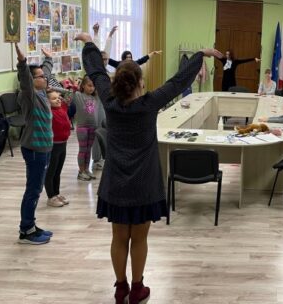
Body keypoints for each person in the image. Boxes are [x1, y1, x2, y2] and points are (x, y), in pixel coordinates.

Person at [75, 31, 222, 304]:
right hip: (144, 182)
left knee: (119, 237)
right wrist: (200, 55)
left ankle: (121, 288)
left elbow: (96, 72)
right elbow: (178, 82)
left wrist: (89, 43)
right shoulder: (150, 103)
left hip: (116, 181)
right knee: (139, 239)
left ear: (117, 83)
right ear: (140, 83)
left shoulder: (109, 100)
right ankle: (137, 288)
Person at [15, 44, 54, 244]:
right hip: (34, 150)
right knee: (33, 190)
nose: (45, 78)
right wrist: (22, 63)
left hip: (44, 149)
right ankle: (26, 231)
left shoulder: (41, 92)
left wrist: (49, 58)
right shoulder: (29, 96)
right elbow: (25, 81)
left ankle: (31, 224)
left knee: (37, 189)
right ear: (32, 80)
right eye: (40, 77)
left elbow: (45, 71)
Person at [70, 76, 102, 181]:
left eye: (93, 86)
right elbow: (71, 94)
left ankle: (87, 170)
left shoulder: (95, 97)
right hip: (82, 127)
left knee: (88, 150)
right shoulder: (78, 95)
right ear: (83, 86)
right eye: (89, 85)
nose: (92, 88)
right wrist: (74, 87)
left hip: (93, 127)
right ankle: (81, 171)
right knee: (83, 150)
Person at [45, 90, 72, 207]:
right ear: (47, 102)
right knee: (51, 172)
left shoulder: (62, 108)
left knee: (58, 171)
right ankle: (50, 197)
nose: (58, 99)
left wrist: (56, 89)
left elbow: (69, 94)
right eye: (54, 98)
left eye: (59, 97)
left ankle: (56, 193)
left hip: (63, 144)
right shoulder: (48, 111)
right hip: (53, 146)